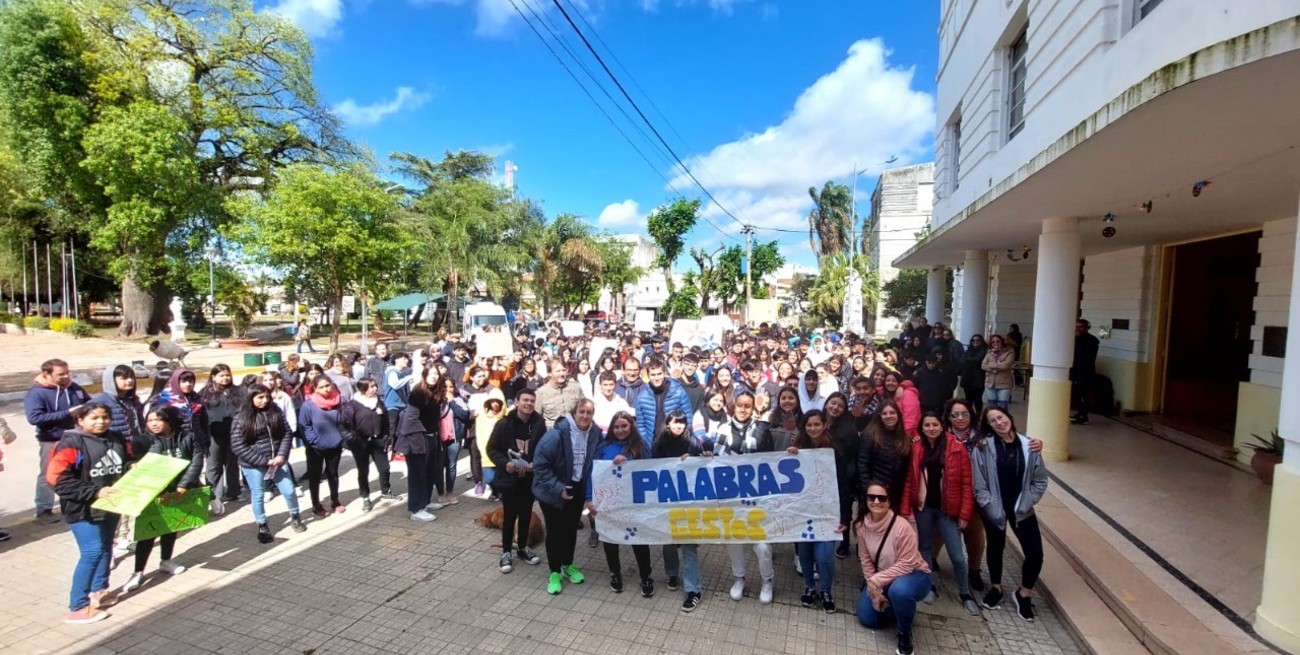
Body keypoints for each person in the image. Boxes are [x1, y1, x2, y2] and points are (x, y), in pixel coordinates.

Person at [971, 406, 1049, 622]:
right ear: (989, 425)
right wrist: (988, 505)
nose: (999, 422)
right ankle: (996, 587)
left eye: (1001, 417)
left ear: (1009, 418)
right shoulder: (983, 447)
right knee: (996, 548)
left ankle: (1024, 593)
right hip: (995, 508)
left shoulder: (1029, 445)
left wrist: (1028, 501)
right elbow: (979, 483)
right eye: (993, 421)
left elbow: (1040, 480)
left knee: (1035, 554)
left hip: (1021, 508)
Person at [901, 412, 981, 617]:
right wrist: (906, 509)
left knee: (957, 555)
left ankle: (965, 593)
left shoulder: (957, 448)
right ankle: (929, 586)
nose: (931, 428)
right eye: (927, 425)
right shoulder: (917, 447)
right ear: (922, 428)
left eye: (934, 424)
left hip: (948, 510)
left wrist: (964, 514)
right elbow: (910, 479)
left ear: (942, 426)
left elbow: (967, 483)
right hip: (924, 508)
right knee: (925, 548)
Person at [121, 405, 205, 594]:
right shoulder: (142, 441)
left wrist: (183, 485)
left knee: (171, 527)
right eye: (150, 420)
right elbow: (129, 462)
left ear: (169, 420)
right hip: (153, 493)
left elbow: (196, 461)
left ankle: (166, 561)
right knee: (148, 533)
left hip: (179, 491)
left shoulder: (188, 437)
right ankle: (138, 572)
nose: (154, 424)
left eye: (158, 419)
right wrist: (132, 466)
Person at [532, 398, 602, 595]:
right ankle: (554, 572)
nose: (585, 416)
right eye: (581, 411)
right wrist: (558, 488)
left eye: (589, 412)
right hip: (552, 490)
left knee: (571, 529)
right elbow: (540, 465)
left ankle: (567, 564)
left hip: (576, 488)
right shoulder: (556, 434)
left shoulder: (595, 433)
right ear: (574, 413)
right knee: (555, 531)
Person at [855, 481, 932, 655]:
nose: (876, 501)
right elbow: (866, 560)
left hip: (914, 574)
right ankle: (900, 609)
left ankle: (904, 633)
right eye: (871, 497)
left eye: (882, 498)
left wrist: (876, 580)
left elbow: (907, 563)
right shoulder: (861, 526)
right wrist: (874, 589)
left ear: (889, 501)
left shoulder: (902, 526)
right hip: (884, 578)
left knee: (900, 591)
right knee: (867, 618)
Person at [586, 411, 655, 597]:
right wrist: (589, 498)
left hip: (634, 501)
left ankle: (646, 576)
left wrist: (628, 462)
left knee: (639, 540)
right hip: (609, 501)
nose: (620, 430)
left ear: (631, 426)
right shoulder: (603, 446)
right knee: (610, 539)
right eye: (616, 427)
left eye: (624, 426)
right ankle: (614, 574)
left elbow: (650, 470)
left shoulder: (641, 446)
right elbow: (593, 473)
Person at [787, 409, 847, 613]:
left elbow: (844, 485)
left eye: (817, 424)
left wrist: (845, 516)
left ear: (824, 425)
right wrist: (790, 456)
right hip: (804, 511)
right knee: (805, 553)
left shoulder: (834, 450)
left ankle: (826, 590)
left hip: (827, 511)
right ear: (804, 427)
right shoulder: (797, 448)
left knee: (824, 555)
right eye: (809, 425)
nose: (813, 428)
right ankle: (810, 587)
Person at [232, 384, 307, 543]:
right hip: (254, 465)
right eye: (260, 397)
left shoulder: (276, 411)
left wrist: (281, 455)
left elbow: (286, 434)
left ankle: (295, 516)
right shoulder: (241, 417)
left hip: (278, 461)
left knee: (289, 490)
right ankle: (262, 525)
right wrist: (264, 461)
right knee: (258, 494)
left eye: (267, 396)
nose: (265, 400)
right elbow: (238, 445)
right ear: (251, 398)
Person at [486, 388, 546, 573]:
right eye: (525, 400)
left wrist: (537, 462)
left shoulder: (539, 423)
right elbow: (491, 449)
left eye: (532, 401)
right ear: (517, 402)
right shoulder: (504, 424)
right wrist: (505, 463)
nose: (529, 404)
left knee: (526, 513)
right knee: (510, 515)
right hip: (510, 479)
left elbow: (544, 447)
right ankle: (506, 552)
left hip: (529, 477)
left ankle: (522, 548)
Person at [26, 358, 92, 524]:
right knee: (48, 474)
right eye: (60, 374)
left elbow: (90, 404)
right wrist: (67, 413)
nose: (66, 377)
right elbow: (34, 418)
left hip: (78, 438)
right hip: (53, 440)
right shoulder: (37, 393)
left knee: (80, 471)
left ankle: (80, 502)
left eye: (67, 373)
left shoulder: (74, 388)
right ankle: (44, 509)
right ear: (46, 374)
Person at [394, 368, 443, 522]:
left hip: (432, 437)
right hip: (418, 439)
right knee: (417, 475)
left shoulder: (436, 392)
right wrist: (419, 438)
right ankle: (416, 509)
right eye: (431, 374)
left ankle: (425, 501)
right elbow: (410, 419)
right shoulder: (418, 393)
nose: (434, 377)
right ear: (424, 375)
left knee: (430, 471)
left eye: (436, 374)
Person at [340, 378, 396, 511]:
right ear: (362, 389)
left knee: (384, 468)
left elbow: (386, 420)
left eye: (375, 385)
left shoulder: (378, 402)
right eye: (371, 386)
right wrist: (353, 439)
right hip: (361, 443)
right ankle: (365, 497)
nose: (375, 389)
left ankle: (386, 491)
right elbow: (343, 425)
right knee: (363, 471)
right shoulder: (352, 405)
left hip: (378, 441)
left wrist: (387, 437)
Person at [299, 374, 346, 517]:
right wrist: (314, 441)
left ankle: (335, 501)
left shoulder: (340, 401)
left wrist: (341, 438)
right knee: (315, 476)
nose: (326, 389)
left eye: (328, 385)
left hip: (335, 444)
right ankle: (316, 505)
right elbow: (304, 426)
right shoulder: (308, 405)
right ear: (315, 388)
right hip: (316, 448)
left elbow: (345, 421)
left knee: (333, 474)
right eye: (321, 387)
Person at [201, 364, 243, 510]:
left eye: (227, 375)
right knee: (214, 465)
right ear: (213, 377)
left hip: (234, 434)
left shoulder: (238, 391)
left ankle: (234, 492)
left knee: (232, 464)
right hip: (214, 435)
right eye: (221, 375)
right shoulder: (205, 393)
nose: (225, 378)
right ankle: (214, 495)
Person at [858, 401, 912, 511]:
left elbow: (906, 469)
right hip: (874, 494)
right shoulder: (870, 435)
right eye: (884, 413)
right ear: (879, 416)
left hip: (895, 494)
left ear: (898, 414)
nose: (888, 416)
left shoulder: (905, 438)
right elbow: (862, 466)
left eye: (892, 412)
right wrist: (869, 491)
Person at [824, 392, 859, 559]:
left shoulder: (849, 429)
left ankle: (844, 544)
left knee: (844, 510)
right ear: (826, 403)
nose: (835, 407)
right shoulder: (819, 421)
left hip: (843, 476)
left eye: (840, 405)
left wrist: (850, 476)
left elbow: (853, 455)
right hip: (823, 474)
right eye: (833, 403)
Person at [633, 358, 691, 449]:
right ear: (648, 375)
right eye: (653, 375)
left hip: (676, 442)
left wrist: (684, 440)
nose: (656, 378)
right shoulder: (642, 397)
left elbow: (688, 418)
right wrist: (645, 444)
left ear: (664, 373)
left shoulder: (678, 392)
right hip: (652, 445)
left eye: (659, 374)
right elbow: (641, 425)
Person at [535, 357, 582, 429]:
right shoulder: (541, 393)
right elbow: (536, 419)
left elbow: (583, 409)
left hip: (574, 429)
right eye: (558, 371)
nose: (562, 374)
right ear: (549, 373)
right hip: (552, 430)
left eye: (564, 370)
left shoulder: (576, 387)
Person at [1071, 319, 1101, 425]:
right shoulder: (1077, 339)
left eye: (1081, 327)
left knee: (1083, 394)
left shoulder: (1091, 341)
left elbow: (1086, 358)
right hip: (1077, 371)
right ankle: (1080, 413)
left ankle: (1083, 416)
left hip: (1085, 372)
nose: (1078, 329)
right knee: (1078, 394)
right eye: (1076, 327)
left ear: (1087, 328)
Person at [981, 334, 1016, 411]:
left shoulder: (1009, 352)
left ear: (1002, 342)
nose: (995, 343)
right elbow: (983, 366)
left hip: (1004, 384)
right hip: (990, 384)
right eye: (993, 342)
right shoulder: (989, 353)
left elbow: (1006, 366)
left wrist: (991, 365)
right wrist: (996, 367)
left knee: (1003, 406)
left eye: (998, 341)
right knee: (992, 406)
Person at [960, 335, 988, 415]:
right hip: (967, 378)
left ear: (982, 341)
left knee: (977, 399)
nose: (975, 342)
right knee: (968, 400)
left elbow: (978, 360)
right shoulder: (968, 351)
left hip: (978, 379)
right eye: (973, 340)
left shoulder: (984, 351)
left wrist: (968, 361)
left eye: (978, 340)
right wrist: (972, 361)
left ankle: (978, 416)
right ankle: (969, 416)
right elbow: (962, 361)